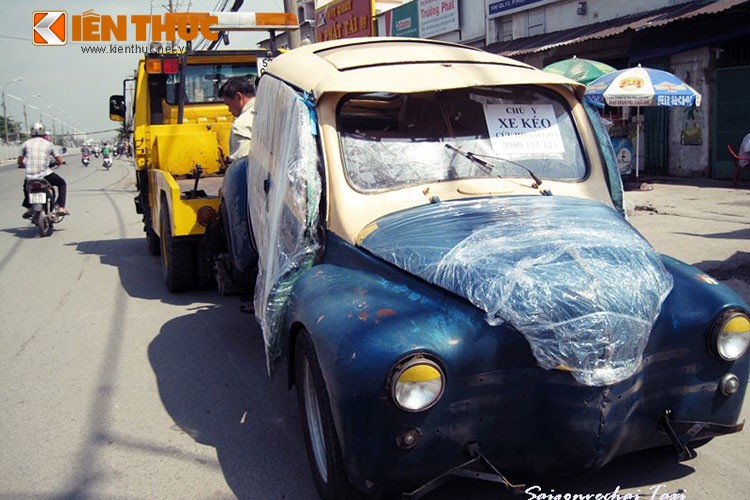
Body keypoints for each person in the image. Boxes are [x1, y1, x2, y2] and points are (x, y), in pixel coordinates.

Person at [18, 122, 68, 217]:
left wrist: (22, 164)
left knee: (26, 188)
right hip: (45, 175)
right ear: (43, 132)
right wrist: (61, 162)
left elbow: (20, 161)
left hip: (30, 176)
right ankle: (61, 207)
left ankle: (29, 207)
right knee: (62, 183)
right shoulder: (49, 144)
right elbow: (59, 159)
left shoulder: (25, 144)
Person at [218, 76, 256, 162]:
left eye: (229, 105)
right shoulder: (271, 111)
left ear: (239, 97)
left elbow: (242, 165)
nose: (229, 110)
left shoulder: (241, 125)